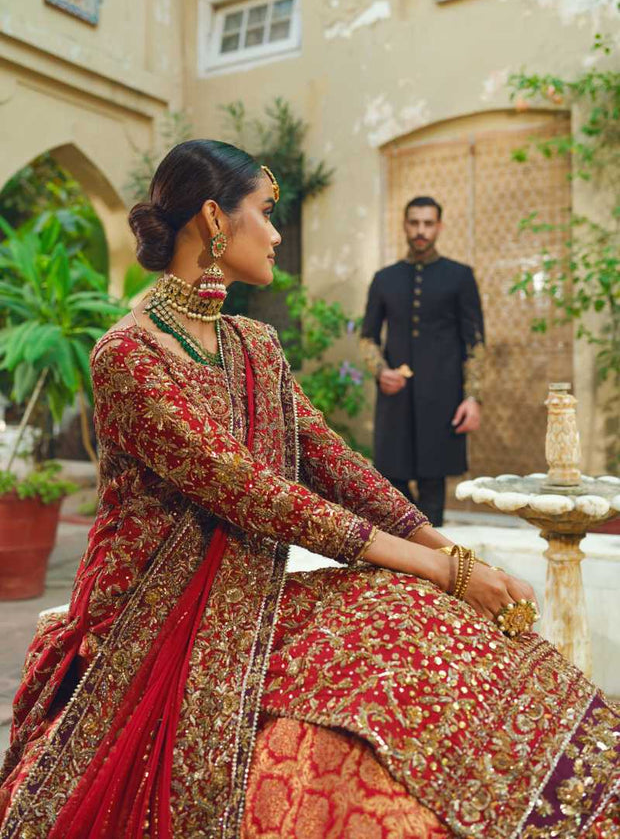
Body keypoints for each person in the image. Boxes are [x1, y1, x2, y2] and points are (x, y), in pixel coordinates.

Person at [0, 141, 617, 839]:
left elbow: (333, 464)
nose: (275, 232)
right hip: (154, 609)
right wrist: (444, 568)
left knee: (417, 612)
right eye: (265, 212)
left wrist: (458, 558)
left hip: (246, 590)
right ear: (213, 219)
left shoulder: (253, 343)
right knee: (400, 612)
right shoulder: (130, 357)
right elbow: (257, 494)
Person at [360, 196, 484, 527]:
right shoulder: (384, 279)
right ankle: (409, 559)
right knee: (391, 478)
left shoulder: (460, 277)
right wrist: (380, 370)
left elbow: (475, 344)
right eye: (414, 223)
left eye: (428, 224)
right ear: (404, 225)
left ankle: (437, 566)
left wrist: (473, 397)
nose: (421, 231)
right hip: (396, 397)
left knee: (433, 482)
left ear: (439, 227)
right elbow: (368, 337)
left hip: (443, 398)